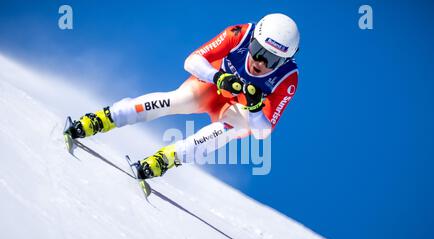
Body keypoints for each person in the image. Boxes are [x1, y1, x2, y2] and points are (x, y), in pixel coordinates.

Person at [64, 13, 300, 180]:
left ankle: (166, 159)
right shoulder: (240, 34)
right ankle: (102, 119)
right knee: (176, 101)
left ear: (285, 61)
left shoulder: (287, 78)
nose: (260, 63)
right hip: (211, 87)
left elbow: (262, 133)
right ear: (253, 40)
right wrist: (217, 77)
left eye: (272, 60)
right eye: (258, 51)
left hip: (237, 110)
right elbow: (192, 61)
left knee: (231, 129)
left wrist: (256, 106)